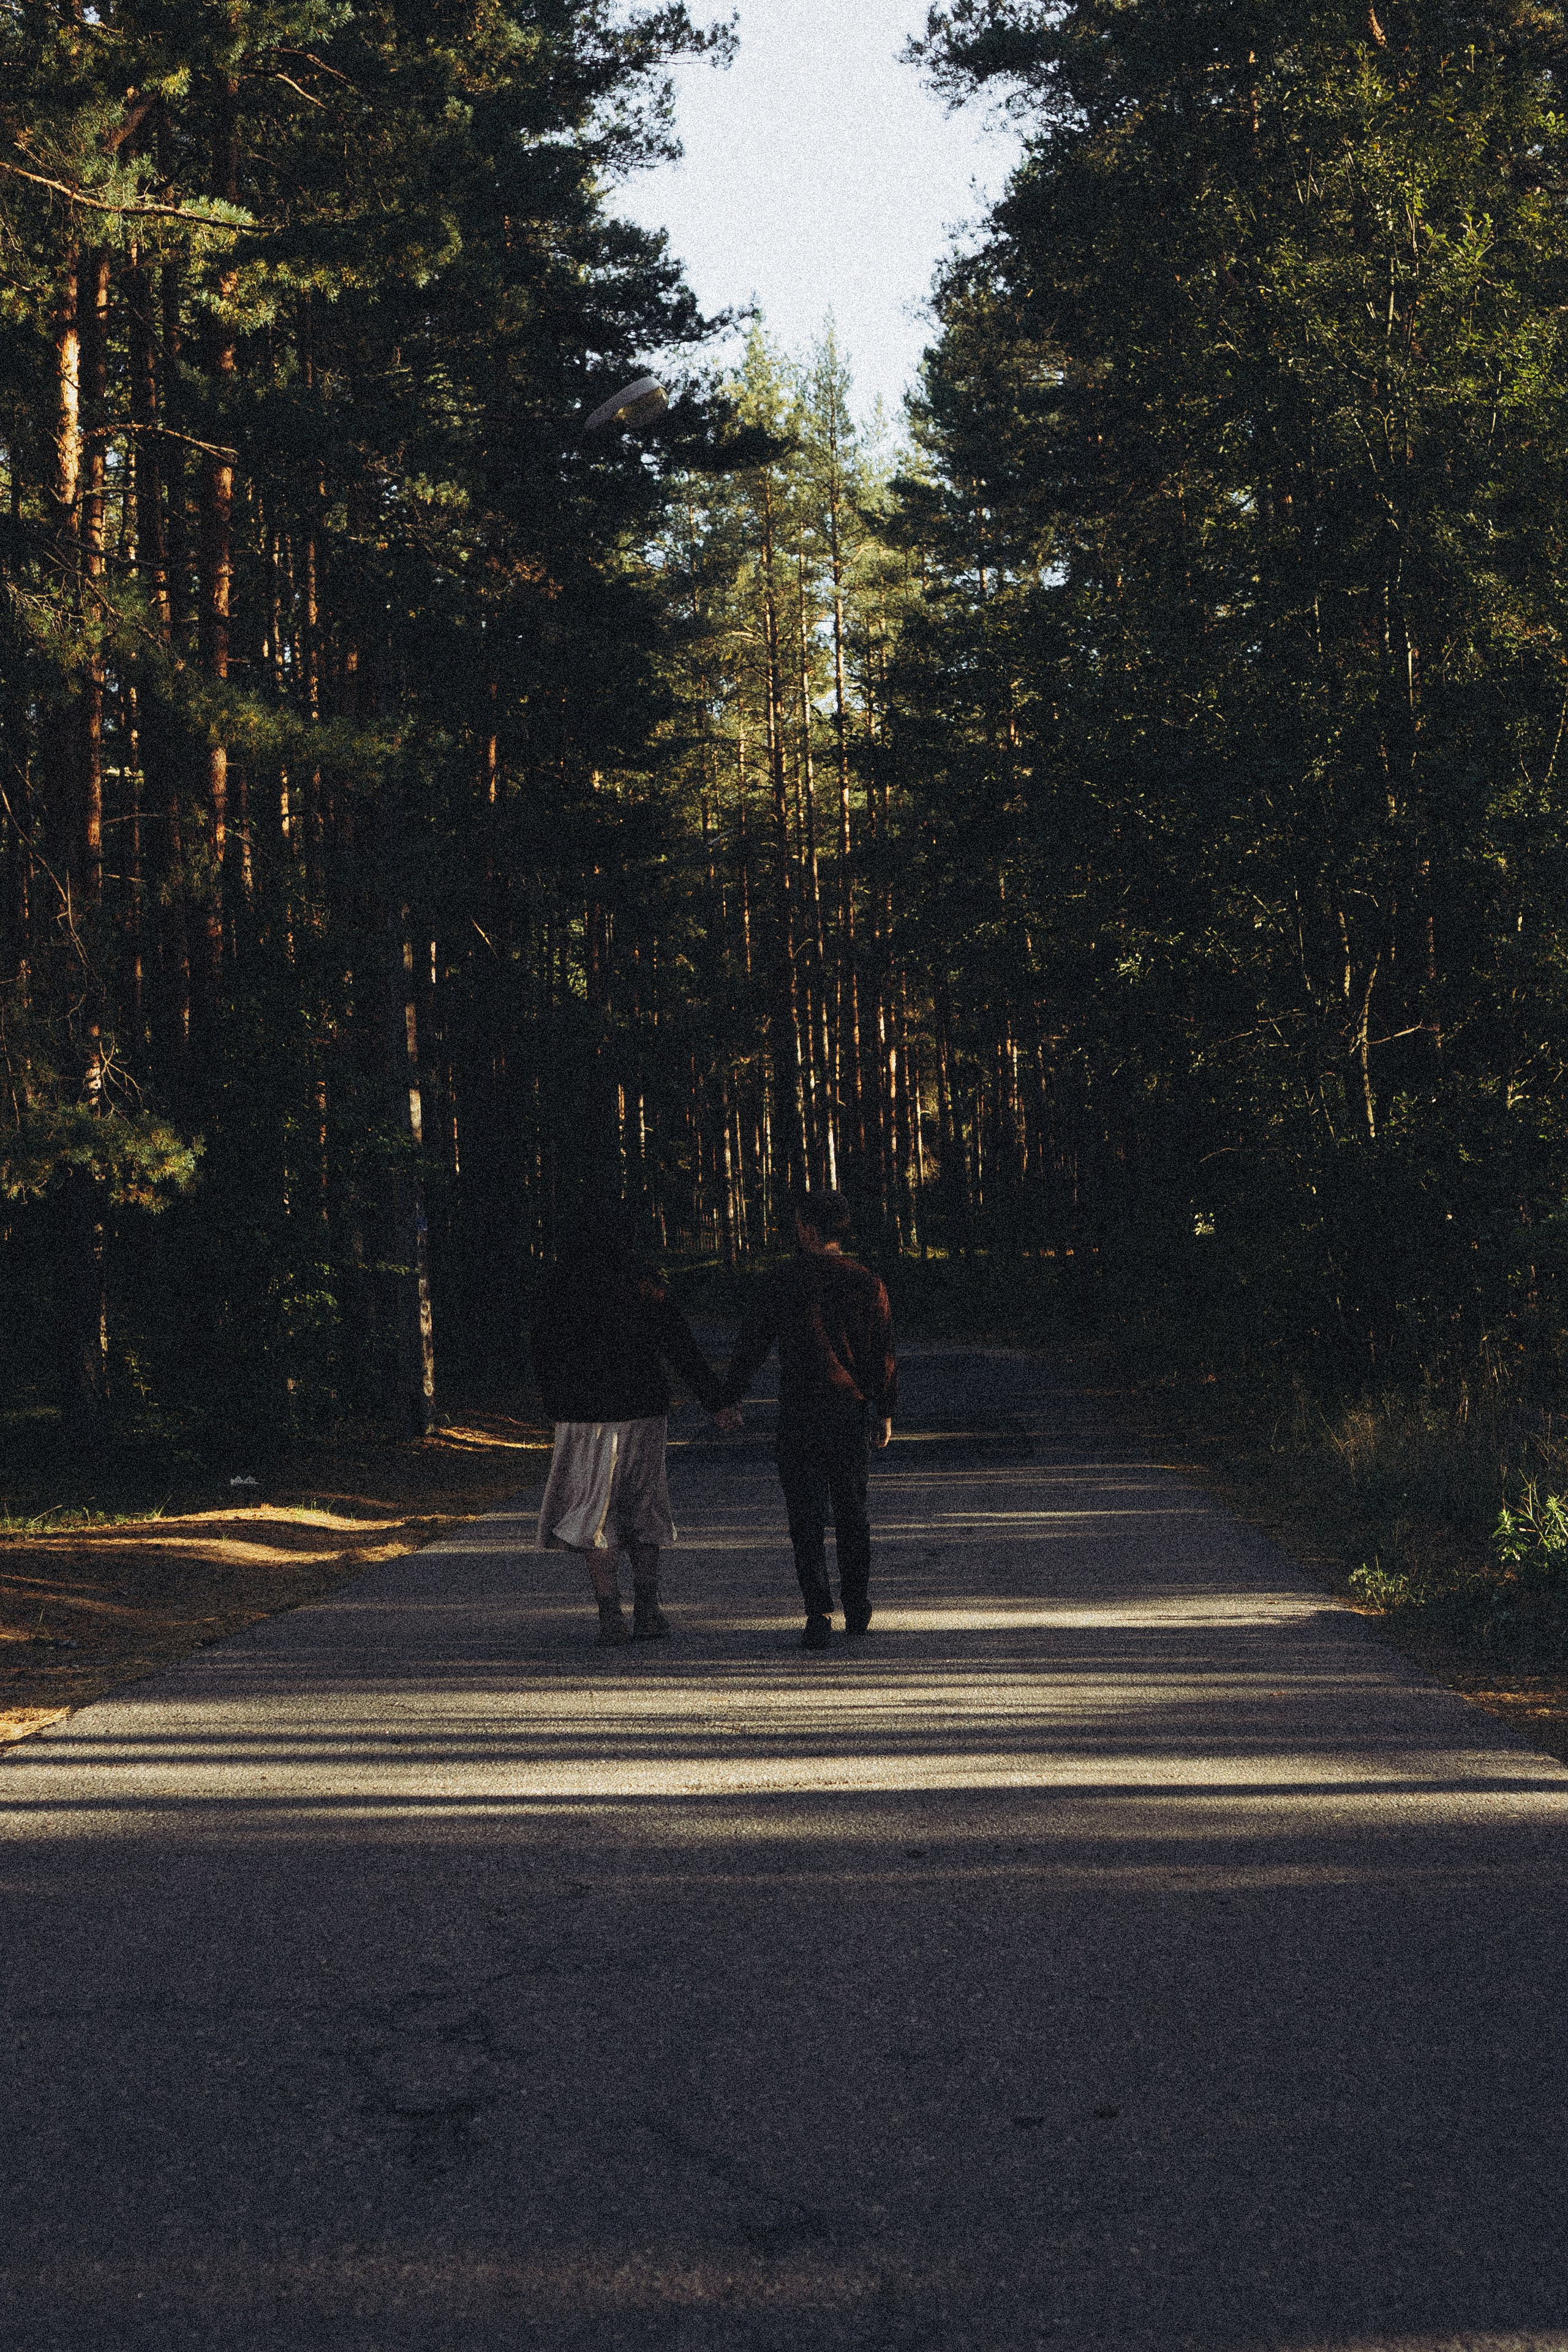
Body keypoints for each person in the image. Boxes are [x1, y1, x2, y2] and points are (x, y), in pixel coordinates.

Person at [531, 1215, 739, 1646]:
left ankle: (610, 1615)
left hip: (583, 1413)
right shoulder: (644, 1284)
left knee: (594, 1511)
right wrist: (717, 1402)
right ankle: (648, 1610)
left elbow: (542, 1350)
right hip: (643, 1408)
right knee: (643, 1507)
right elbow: (680, 1346)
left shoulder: (558, 1286)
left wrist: (555, 1405)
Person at [720, 1188, 897, 1651]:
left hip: (800, 1412)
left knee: (806, 1516)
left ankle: (817, 1611)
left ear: (806, 1228)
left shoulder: (783, 1281)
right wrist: (884, 1409)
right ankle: (857, 1604)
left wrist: (730, 1397)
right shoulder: (866, 1282)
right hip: (849, 1411)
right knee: (852, 1510)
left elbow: (752, 1344)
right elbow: (882, 1353)